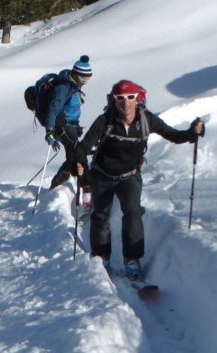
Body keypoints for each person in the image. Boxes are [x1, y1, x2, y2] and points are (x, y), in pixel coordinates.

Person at [71, 80, 204, 280]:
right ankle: (101, 257)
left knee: (132, 214)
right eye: (120, 98)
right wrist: (78, 164)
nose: (125, 102)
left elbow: (174, 136)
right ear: (113, 100)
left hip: (129, 176)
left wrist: (192, 133)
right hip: (102, 174)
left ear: (138, 99)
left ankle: (132, 260)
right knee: (100, 215)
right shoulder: (104, 121)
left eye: (130, 97)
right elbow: (82, 147)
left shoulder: (147, 120)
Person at [44, 55, 93, 189]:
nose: (86, 82)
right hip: (63, 126)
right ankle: (62, 186)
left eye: (89, 78)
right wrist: (49, 130)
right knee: (77, 157)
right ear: (77, 75)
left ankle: (61, 185)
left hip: (71, 126)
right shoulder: (64, 88)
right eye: (84, 78)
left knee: (74, 157)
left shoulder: (73, 85)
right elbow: (53, 108)